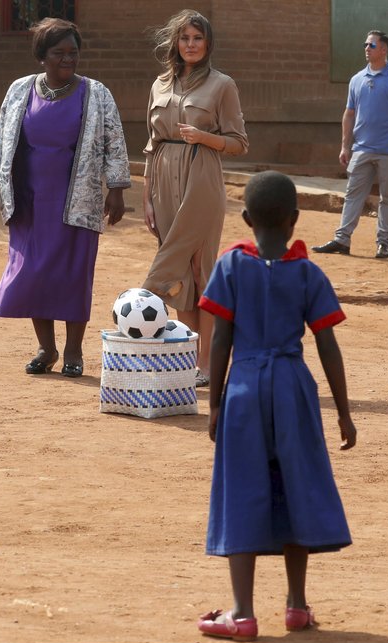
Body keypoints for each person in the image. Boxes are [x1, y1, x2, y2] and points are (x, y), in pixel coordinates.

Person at [196, 171, 356, 641]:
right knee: (296, 485)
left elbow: (221, 336)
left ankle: (242, 613)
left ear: (246, 219)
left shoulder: (230, 266)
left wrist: (215, 403)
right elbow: (327, 344)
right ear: (294, 221)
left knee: (241, 488)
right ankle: (296, 606)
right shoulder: (308, 272)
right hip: (292, 386)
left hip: (244, 387)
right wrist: (344, 411)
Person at [0, 18, 130, 378]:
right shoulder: (20, 90)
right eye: (59, 53)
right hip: (29, 198)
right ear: (42, 57)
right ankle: (46, 349)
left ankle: (74, 351)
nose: (68, 59)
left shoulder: (96, 93)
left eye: (73, 53)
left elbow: (114, 141)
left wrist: (117, 189)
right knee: (34, 272)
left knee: (73, 273)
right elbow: (2, 137)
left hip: (78, 198)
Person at [142, 9, 248, 388]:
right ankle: (188, 358)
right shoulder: (159, 84)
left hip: (201, 176)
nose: (190, 44)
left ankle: (208, 364)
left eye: (197, 38)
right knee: (180, 278)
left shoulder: (222, 85)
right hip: (163, 179)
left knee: (201, 271)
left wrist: (204, 138)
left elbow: (239, 143)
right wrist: (147, 196)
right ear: (175, 42)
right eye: (185, 38)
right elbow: (152, 145)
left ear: (207, 44)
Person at [313, 30, 388, 259]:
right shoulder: (357, 80)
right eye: (365, 44)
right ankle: (342, 240)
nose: (366, 48)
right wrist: (345, 146)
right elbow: (349, 114)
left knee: (387, 197)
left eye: (371, 45)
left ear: (384, 50)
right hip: (361, 149)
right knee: (353, 194)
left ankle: (383, 244)